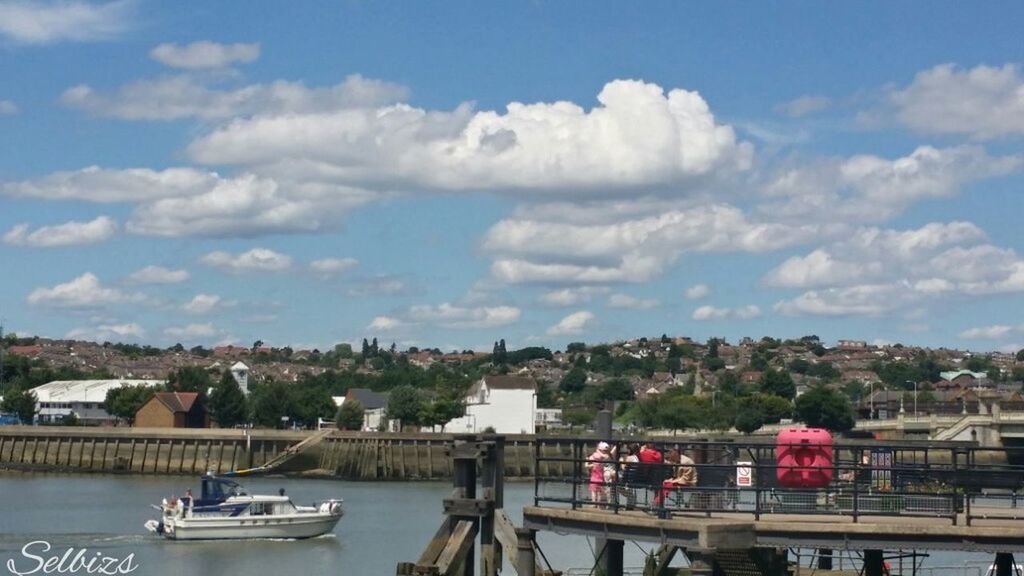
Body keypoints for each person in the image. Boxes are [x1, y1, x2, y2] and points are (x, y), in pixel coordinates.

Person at [586, 441, 612, 507]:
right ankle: (598, 504)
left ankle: (593, 503)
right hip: (600, 477)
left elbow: (587, 464)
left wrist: (588, 462)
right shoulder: (603, 459)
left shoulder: (594, 458)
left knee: (593, 491)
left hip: (594, 477)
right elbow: (607, 456)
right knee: (599, 492)